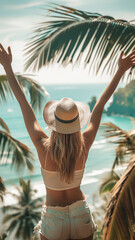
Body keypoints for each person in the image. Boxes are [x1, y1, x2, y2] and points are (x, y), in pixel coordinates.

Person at [0, 43, 134, 240]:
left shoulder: (42, 145)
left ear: (54, 124)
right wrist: (120, 70)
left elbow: (23, 103)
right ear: (77, 123)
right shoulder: (84, 144)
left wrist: (7, 66)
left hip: (53, 219)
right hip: (80, 214)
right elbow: (99, 106)